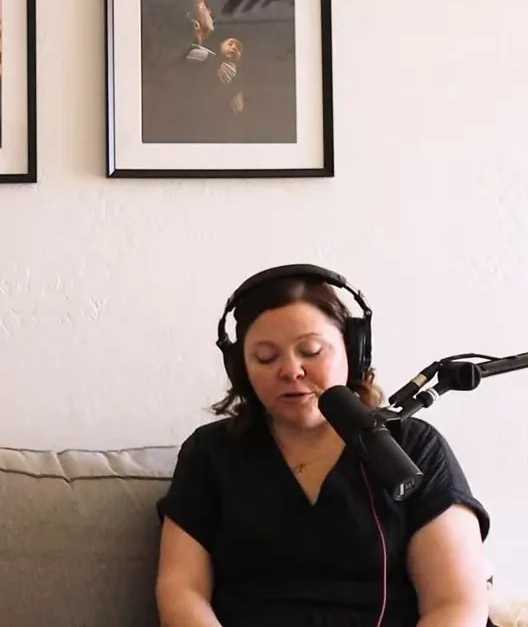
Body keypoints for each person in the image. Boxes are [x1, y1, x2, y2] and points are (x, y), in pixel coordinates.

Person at [155, 264, 492, 627]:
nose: (291, 370)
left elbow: (455, 604)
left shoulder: (414, 446)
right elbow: (181, 590)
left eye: (312, 351)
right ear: (242, 370)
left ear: (353, 350)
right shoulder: (210, 453)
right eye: (266, 358)